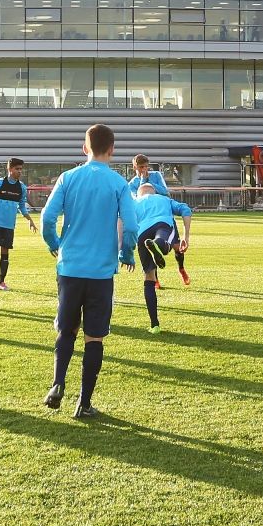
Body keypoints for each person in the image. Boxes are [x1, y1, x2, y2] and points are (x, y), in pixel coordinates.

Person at [39, 124, 141, 419]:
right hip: (101, 272)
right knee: (94, 337)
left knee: (66, 329)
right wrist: (127, 251)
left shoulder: (68, 178)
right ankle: (83, 403)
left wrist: (54, 243)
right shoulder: (119, 184)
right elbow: (132, 226)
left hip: (70, 266)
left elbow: (47, 217)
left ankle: (58, 383)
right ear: (112, 150)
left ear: (85, 148)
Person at [128, 186, 194, 330]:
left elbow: (126, 223)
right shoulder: (164, 199)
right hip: (162, 225)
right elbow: (185, 209)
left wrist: (127, 250)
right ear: (154, 192)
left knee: (149, 277)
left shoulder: (134, 203)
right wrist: (186, 236)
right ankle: (159, 245)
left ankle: (154, 324)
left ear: (139, 194)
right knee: (166, 241)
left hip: (142, 233)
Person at [0, 158, 40, 289]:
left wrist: (29, 220)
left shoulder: (21, 188)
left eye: (21, 169)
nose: (20, 171)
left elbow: (22, 206)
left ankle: (1, 282)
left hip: (9, 225)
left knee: (5, 252)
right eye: (17, 169)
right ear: (10, 169)